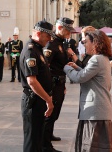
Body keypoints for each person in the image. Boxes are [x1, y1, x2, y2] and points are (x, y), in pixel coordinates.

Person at [64, 30, 112, 152]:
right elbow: (92, 76)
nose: (83, 44)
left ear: (95, 43)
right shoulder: (103, 58)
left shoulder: (96, 59)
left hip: (95, 112)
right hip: (99, 110)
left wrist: (66, 68)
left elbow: (80, 77)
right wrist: (77, 67)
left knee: (92, 147)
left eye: (85, 42)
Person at [20, 20, 54, 152]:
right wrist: (48, 100)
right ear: (39, 34)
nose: (50, 39)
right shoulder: (31, 51)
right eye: (48, 36)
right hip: (33, 101)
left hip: (38, 100)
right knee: (32, 141)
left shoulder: (38, 49)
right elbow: (32, 81)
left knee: (38, 138)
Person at [43, 17, 75, 152]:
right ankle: (44, 144)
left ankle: (49, 135)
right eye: (67, 30)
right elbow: (45, 67)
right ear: (60, 28)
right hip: (53, 84)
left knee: (55, 113)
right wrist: (49, 87)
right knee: (50, 113)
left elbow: (59, 66)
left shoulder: (61, 43)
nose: (70, 33)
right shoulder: (51, 44)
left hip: (60, 83)